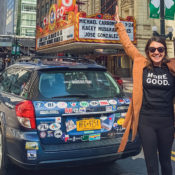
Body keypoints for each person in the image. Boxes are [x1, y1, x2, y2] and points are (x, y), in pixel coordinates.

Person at [114, 5, 175, 175]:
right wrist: (119, 25)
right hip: (146, 121)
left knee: (166, 162)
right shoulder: (142, 64)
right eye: (152, 49)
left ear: (165, 51)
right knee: (151, 163)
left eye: (160, 49)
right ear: (148, 52)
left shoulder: (172, 67)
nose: (156, 52)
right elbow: (128, 45)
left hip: (167, 122)